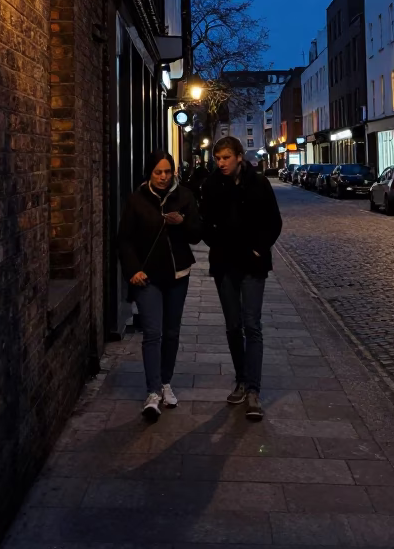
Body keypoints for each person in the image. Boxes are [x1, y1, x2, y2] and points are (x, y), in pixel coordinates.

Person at [200, 136, 282, 421]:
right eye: (217, 158)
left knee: (252, 324)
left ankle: (253, 390)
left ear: (238, 156)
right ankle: (241, 379)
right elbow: (205, 223)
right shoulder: (211, 185)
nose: (221, 163)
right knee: (233, 325)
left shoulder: (258, 183)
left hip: (253, 265)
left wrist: (259, 248)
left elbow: (274, 221)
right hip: (225, 265)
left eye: (225, 157)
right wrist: (217, 243)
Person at [118, 149, 202, 421]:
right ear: (150, 173)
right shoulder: (137, 199)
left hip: (178, 274)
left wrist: (182, 222)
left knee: (171, 332)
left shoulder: (185, 196)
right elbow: (125, 239)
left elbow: (196, 234)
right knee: (153, 332)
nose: (164, 177)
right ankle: (152, 392)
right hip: (148, 277)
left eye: (167, 171)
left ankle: (166, 382)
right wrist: (133, 270)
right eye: (158, 172)